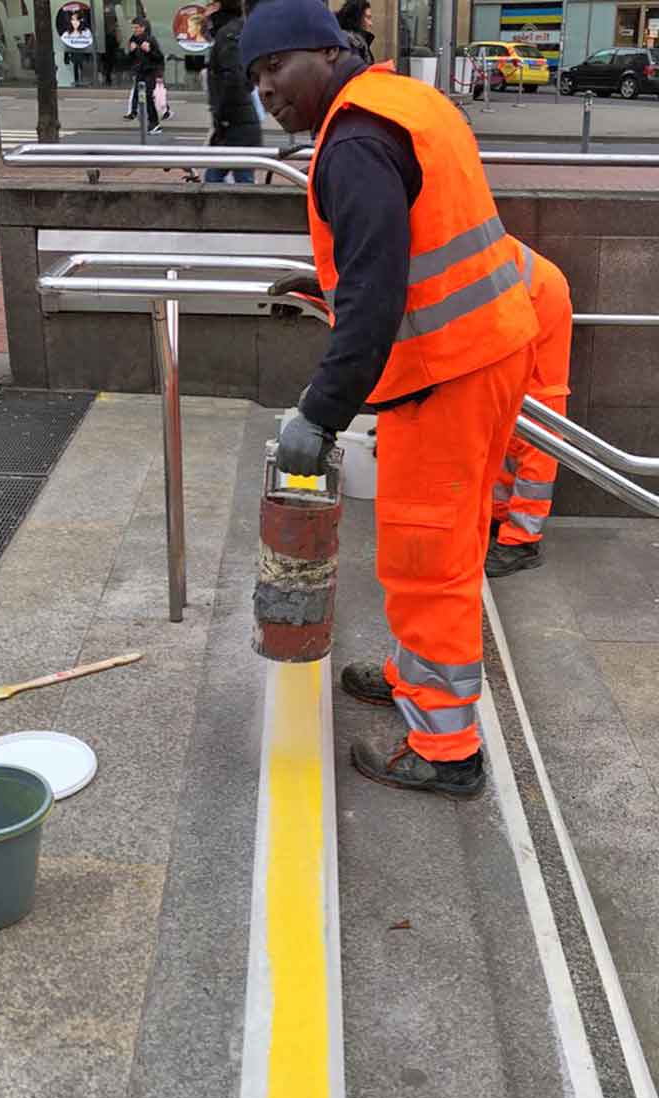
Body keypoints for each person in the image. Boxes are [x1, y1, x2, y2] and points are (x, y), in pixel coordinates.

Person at [243, 0, 539, 799]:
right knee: (451, 541)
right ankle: (417, 680)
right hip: (491, 349)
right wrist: (325, 287)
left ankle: (446, 750)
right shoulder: (400, 100)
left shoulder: (354, 145)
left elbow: (376, 297)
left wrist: (320, 412)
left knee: (426, 557)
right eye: (254, 78)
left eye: (274, 68)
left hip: (445, 374)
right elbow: (405, 248)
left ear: (322, 51)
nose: (266, 92)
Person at [487, 239, 572, 577]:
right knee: (508, 422)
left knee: (538, 423)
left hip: (537, 299)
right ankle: (501, 518)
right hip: (517, 296)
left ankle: (523, 541)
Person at [204, 0, 262, 183]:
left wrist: (222, 115)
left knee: (220, 178)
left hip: (235, 123)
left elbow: (234, 77)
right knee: (232, 176)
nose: (206, 9)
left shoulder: (228, 34)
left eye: (212, 4)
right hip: (236, 121)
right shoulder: (233, 30)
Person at [124, 17, 165, 132]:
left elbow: (159, 58)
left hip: (151, 72)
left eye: (137, 27)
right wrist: (131, 52)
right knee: (139, 97)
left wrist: (149, 51)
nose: (135, 30)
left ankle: (154, 123)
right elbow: (130, 59)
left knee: (148, 96)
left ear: (143, 28)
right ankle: (141, 117)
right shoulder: (133, 39)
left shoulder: (150, 40)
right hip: (139, 72)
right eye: (134, 28)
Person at [336, 0, 375, 64]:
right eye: (368, 18)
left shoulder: (358, 42)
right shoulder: (352, 44)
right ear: (357, 18)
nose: (371, 24)